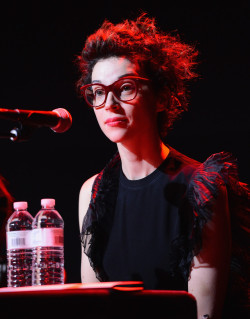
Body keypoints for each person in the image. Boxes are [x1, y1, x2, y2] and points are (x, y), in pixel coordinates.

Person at [76, 13, 249, 319]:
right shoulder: (92, 191)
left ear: (162, 98)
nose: (110, 104)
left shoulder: (202, 187)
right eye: (99, 92)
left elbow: (204, 313)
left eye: (126, 87)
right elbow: (93, 305)